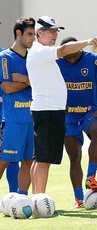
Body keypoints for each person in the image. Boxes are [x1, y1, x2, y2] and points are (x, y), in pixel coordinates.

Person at [26, 15, 97, 195]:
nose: (54, 35)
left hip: (51, 111)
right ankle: (39, 198)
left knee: (40, 158)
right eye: (50, 31)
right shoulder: (40, 51)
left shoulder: (43, 52)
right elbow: (64, 49)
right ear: (39, 33)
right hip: (46, 111)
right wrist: (87, 41)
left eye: (56, 31)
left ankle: (37, 197)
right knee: (43, 160)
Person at [57, 36, 97, 208]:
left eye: (74, 55)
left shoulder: (94, 60)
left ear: (80, 49)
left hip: (89, 111)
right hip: (69, 116)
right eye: (68, 56)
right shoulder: (57, 63)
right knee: (74, 157)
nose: (71, 59)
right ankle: (79, 199)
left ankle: (91, 176)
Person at [0, 17, 35, 195]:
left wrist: (23, 78)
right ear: (18, 33)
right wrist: (30, 81)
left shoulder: (34, 58)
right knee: (4, 160)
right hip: (13, 119)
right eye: (29, 34)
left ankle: (22, 198)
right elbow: (7, 87)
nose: (33, 39)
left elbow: (39, 83)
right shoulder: (5, 57)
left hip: (32, 119)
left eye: (34, 35)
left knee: (29, 160)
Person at [0, 19, 20, 193]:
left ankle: (15, 198)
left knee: (12, 157)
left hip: (5, 114)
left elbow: (9, 82)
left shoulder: (5, 55)